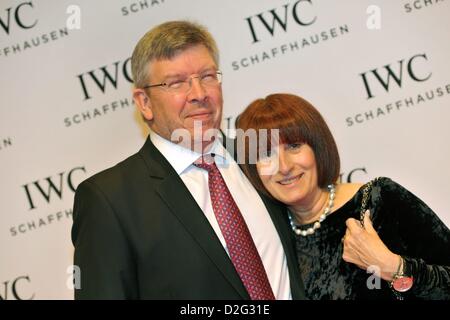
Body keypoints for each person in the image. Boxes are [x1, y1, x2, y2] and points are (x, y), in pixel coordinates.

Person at [71, 21, 305, 300]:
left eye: (207, 76)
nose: (199, 94)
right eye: (177, 83)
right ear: (144, 102)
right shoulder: (109, 200)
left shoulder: (257, 156)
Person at [236, 93, 450, 300]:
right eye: (265, 154)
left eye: (294, 146)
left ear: (317, 147)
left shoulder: (377, 200)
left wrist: (393, 267)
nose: (284, 166)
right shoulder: (271, 239)